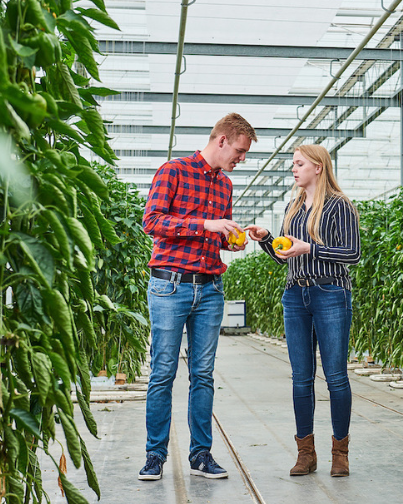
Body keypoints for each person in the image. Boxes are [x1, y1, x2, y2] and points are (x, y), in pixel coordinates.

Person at [138, 113, 256, 481]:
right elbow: (153, 221)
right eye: (239, 151)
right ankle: (155, 455)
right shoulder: (173, 171)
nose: (241, 159)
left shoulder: (225, 186)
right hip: (170, 286)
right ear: (221, 140)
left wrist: (232, 238)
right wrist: (205, 224)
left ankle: (200, 454)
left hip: (209, 288)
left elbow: (217, 236)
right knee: (163, 372)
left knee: (202, 375)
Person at [245, 144, 360, 477]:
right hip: (295, 295)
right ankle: (305, 453)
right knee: (300, 378)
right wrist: (268, 239)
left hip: (330, 292)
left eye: (298, 164)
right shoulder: (292, 207)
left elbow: (352, 253)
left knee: (336, 376)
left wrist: (309, 246)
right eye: (292, 165)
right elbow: (285, 254)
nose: (293, 170)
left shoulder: (340, 206)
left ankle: (340, 453)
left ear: (318, 167)